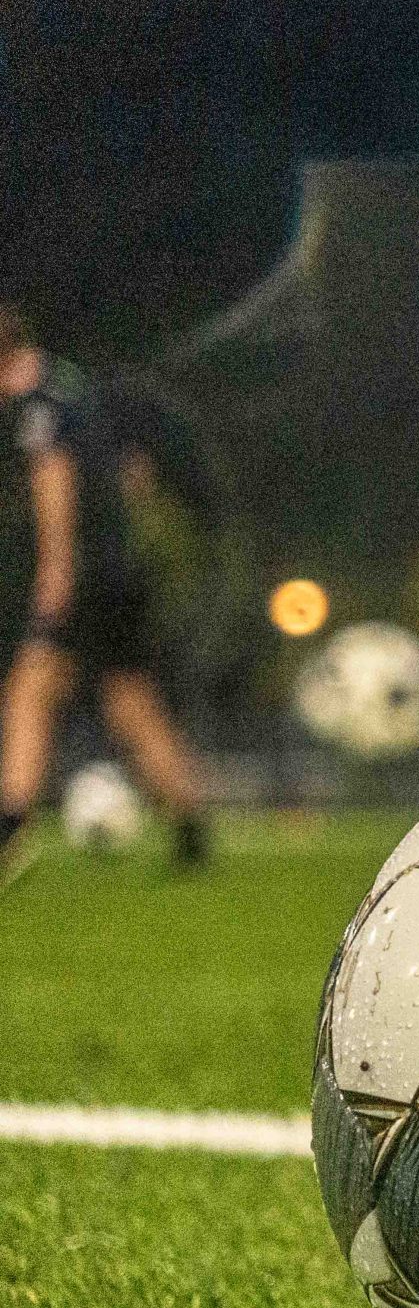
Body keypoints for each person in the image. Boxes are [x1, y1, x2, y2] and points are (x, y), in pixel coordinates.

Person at [0, 297, 212, 885]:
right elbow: (126, 473)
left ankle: (11, 823)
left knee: (32, 688)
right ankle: (191, 823)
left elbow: (55, 490)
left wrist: (55, 581)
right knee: (129, 699)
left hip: (85, 574)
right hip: (121, 572)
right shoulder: (69, 385)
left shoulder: (38, 407)